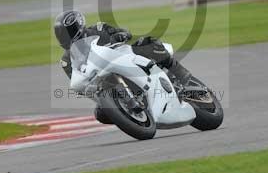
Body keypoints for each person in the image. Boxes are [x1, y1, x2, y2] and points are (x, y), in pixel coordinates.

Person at [54, 10, 193, 123]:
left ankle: (181, 73)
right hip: (103, 81)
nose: (65, 37)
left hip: (125, 58)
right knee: (100, 114)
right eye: (61, 34)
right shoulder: (67, 60)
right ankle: (129, 115)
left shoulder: (99, 28)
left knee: (149, 43)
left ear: (78, 25)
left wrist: (120, 35)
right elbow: (77, 80)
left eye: (68, 32)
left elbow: (122, 32)